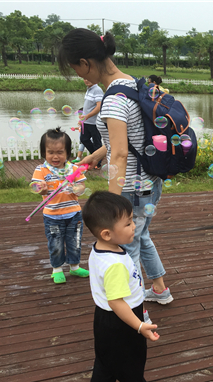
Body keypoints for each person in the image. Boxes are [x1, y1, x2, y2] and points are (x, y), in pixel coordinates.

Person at [58, 29, 173, 305]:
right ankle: (160, 290)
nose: (79, 75)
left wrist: (112, 206)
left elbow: (120, 153)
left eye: (76, 69)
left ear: (85, 62)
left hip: (131, 188)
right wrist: (93, 156)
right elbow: (124, 141)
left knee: (124, 247)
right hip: (149, 182)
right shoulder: (132, 83)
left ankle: (134, 311)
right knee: (140, 235)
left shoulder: (112, 100)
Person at [81, 191, 163, 382]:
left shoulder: (102, 248)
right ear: (107, 233)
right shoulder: (114, 265)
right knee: (132, 357)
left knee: (106, 359)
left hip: (105, 319)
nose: (134, 225)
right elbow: (116, 301)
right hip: (122, 319)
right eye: (127, 223)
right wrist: (139, 326)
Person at [31, 127, 90, 284]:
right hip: (52, 216)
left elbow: (81, 187)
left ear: (67, 153)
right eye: (50, 152)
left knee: (74, 241)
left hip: (74, 214)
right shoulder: (41, 170)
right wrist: (40, 187)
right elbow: (35, 186)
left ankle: (75, 266)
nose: (55, 156)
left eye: (60, 152)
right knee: (55, 243)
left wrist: (76, 188)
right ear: (44, 153)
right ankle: (56, 269)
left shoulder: (74, 169)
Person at [77, 78, 104, 164]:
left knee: (97, 143)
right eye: (85, 78)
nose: (87, 80)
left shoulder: (97, 90)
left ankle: (98, 162)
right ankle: (96, 157)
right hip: (86, 122)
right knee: (83, 139)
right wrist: (83, 117)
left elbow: (99, 106)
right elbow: (88, 106)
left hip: (94, 122)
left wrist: (88, 116)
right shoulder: (89, 89)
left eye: (88, 78)